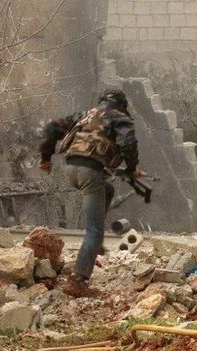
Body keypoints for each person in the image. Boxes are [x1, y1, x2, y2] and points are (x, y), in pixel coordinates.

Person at [39, 89, 143, 296]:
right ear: (122, 105)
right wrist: (132, 169)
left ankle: (93, 248)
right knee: (94, 231)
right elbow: (128, 144)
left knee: (108, 190)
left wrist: (45, 158)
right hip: (90, 173)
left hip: (70, 170)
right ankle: (78, 281)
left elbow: (51, 128)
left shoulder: (83, 115)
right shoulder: (120, 119)